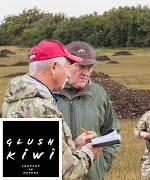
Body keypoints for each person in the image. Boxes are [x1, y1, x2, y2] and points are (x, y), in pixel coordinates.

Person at [2, 39, 102, 179]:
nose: (68, 75)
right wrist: (89, 153)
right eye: (67, 67)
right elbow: (64, 173)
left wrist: (73, 145)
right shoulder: (38, 107)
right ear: (54, 67)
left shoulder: (18, 99)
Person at [55, 41, 121, 180]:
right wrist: (74, 145)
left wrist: (103, 164)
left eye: (89, 67)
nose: (86, 72)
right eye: (80, 66)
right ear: (65, 65)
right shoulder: (48, 95)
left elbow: (112, 132)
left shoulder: (99, 94)